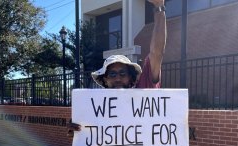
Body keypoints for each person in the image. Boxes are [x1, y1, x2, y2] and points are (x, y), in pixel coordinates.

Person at [68, 0, 167, 135]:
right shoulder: (97, 109)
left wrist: (159, 8)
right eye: (112, 75)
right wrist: (79, 131)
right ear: (105, 81)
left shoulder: (145, 88)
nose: (118, 78)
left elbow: (157, 52)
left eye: (122, 73)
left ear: (131, 77)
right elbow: (89, 142)